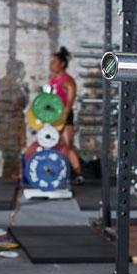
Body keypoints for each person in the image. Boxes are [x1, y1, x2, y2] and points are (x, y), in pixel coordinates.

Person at [47, 47, 84, 185]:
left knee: (68, 145)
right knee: (53, 144)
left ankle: (79, 174)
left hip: (65, 116)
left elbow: (69, 104)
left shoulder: (68, 81)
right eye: (51, 61)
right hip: (52, 116)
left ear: (62, 64)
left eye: (54, 62)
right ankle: (56, 172)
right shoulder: (52, 81)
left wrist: (61, 121)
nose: (51, 65)